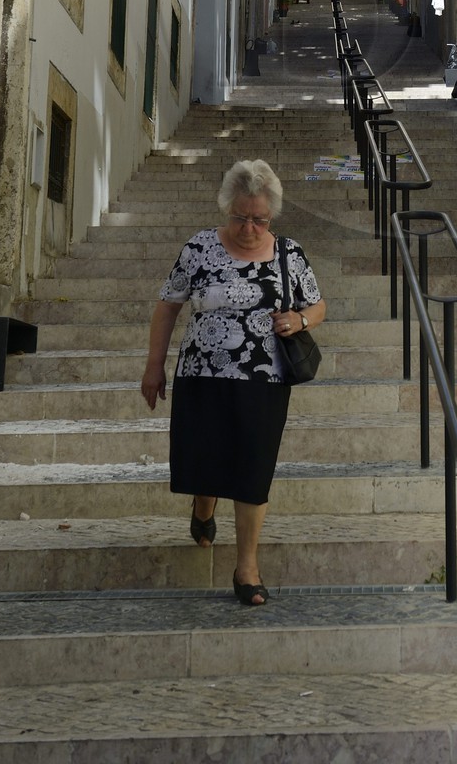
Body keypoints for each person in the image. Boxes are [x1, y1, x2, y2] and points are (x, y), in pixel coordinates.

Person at [140, 158, 325, 606]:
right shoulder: (200, 247)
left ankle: (247, 568)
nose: (249, 227)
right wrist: (154, 365)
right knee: (206, 460)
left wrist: (299, 319)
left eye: (259, 219)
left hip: (264, 379)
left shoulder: (289, 254)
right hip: (202, 375)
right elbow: (168, 306)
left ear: (271, 215)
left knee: (252, 468)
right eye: (241, 217)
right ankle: (204, 508)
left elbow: (318, 305)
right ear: (228, 209)